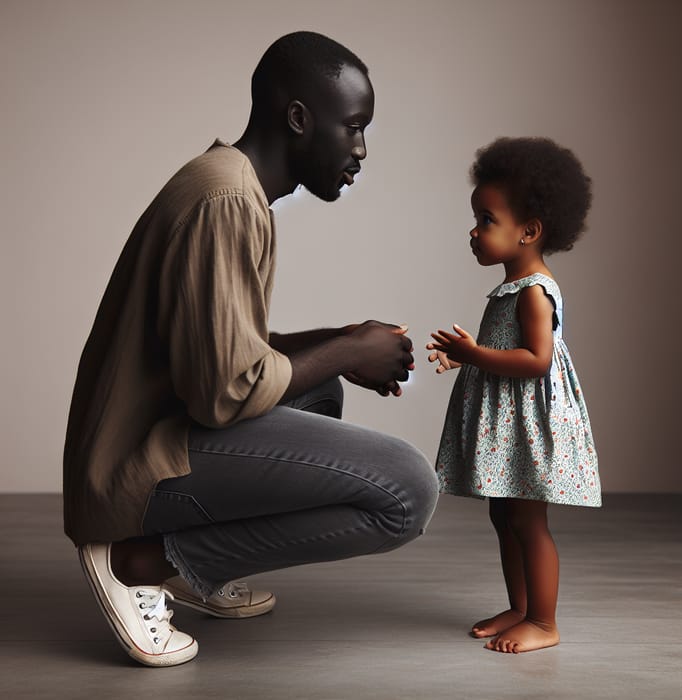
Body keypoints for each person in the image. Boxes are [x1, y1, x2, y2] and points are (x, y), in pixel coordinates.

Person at [63, 31, 438, 667]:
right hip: (136, 466)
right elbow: (223, 392)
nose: (361, 149)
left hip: (153, 436)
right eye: (352, 127)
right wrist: (349, 348)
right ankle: (140, 561)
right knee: (408, 491)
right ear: (298, 119)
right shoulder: (228, 199)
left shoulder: (231, 185)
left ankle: (190, 565)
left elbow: (223, 350)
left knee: (320, 389)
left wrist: (343, 345)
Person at [426, 137, 601, 654]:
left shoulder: (534, 291)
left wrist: (476, 355)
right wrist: (467, 355)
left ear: (529, 231)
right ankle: (520, 607)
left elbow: (538, 360)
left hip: (528, 419)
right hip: (508, 417)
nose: (474, 232)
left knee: (528, 520)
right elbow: (508, 347)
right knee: (503, 515)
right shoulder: (513, 285)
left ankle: (544, 621)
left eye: (486, 219)